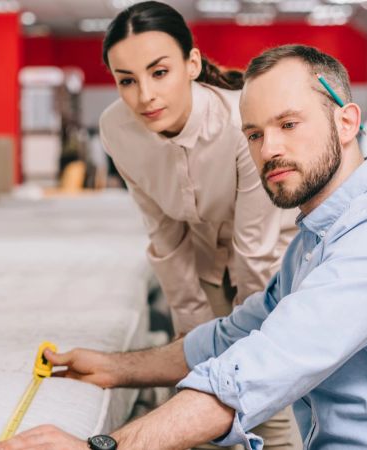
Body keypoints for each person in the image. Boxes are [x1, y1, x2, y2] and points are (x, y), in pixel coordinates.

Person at [0, 45, 367, 450]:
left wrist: (100, 447)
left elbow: (253, 371)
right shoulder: (315, 239)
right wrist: (117, 369)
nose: (268, 149)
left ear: (346, 122)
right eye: (254, 134)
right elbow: (231, 338)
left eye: (288, 125)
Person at [94, 2, 300, 447]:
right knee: (194, 402)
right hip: (205, 260)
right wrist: (191, 336)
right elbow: (164, 235)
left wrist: (250, 342)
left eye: (159, 72)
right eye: (126, 80)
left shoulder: (239, 121)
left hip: (270, 263)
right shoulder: (117, 129)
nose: (144, 95)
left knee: (266, 404)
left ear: (191, 64)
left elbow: (255, 247)